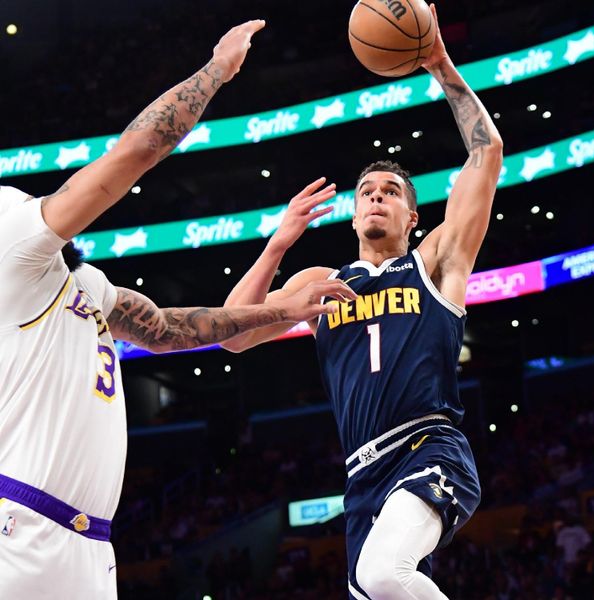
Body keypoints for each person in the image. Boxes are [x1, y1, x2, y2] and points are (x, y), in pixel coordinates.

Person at [0, 21, 355, 599]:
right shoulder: (10, 245)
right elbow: (137, 151)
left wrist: (280, 308)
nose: (48, 206)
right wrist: (216, 70)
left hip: (90, 547)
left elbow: (169, 330)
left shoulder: (87, 286)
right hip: (20, 527)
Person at [223, 4, 503, 598]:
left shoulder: (434, 264)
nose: (376, 197)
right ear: (353, 213)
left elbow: (485, 156)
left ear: (412, 214)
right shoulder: (320, 282)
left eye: (390, 191)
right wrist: (276, 246)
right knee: (374, 588)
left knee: (383, 573)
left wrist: (443, 67)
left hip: (429, 447)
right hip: (361, 475)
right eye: (366, 192)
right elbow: (233, 333)